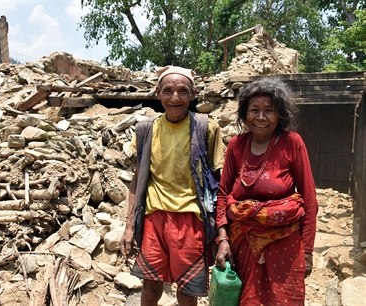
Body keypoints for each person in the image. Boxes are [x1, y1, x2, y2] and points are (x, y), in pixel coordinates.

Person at [119, 66, 224, 306]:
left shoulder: (206, 127)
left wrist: (221, 232)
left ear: (193, 94)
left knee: (186, 291)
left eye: (182, 91)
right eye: (167, 91)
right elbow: (138, 178)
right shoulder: (146, 129)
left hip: (191, 220)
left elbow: (218, 182)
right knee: (150, 286)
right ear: (158, 94)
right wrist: (128, 227)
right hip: (154, 220)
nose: (174, 98)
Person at [214, 78, 318, 305]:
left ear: (280, 114)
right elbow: (223, 195)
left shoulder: (292, 143)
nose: (261, 117)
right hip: (243, 246)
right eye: (254, 110)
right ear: (244, 113)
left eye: (269, 111)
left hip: (285, 246)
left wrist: (307, 252)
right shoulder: (236, 145)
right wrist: (223, 239)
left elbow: (309, 201)